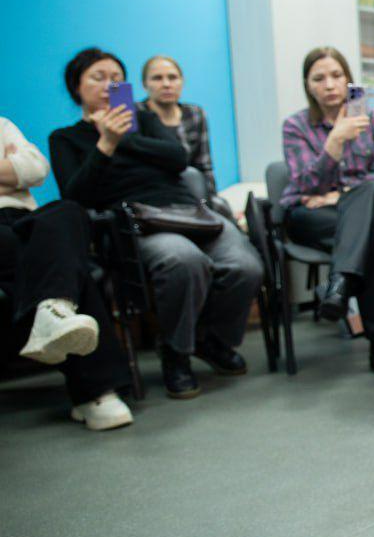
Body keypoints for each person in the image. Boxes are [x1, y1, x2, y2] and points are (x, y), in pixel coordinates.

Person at [49, 47, 263, 400]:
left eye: (116, 79)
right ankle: (177, 355)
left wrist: (126, 137)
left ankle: (212, 340)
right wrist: (105, 144)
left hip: (186, 209)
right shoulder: (66, 138)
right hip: (136, 219)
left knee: (246, 265)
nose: (108, 85)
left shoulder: (144, 120)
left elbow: (178, 158)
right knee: (184, 262)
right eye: (98, 78)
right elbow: (75, 195)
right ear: (77, 87)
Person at [280, 46, 374, 377]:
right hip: (313, 218)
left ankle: (340, 282)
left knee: (372, 204)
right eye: (319, 78)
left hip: (361, 208)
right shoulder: (295, 126)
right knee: (370, 233)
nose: (329, 84)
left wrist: (341, 195)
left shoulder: (373, 119)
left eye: (336, 75)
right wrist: (333, 143)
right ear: (308, 85)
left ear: (348, 79)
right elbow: (304, 184)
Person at [1, 115, 133, 429]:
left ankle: (54, 308)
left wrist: (21, 168)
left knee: (67, 212)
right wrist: (11, 168)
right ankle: (97, 393)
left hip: (22, 217)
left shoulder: (2, 124)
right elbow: (22, 170)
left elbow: (35, 169)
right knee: (59, 265)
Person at [136, 55, 218, 196]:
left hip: (191, 193)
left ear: (182, 82)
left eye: (173, 77)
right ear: (144, 84)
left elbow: (204, 167)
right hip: (150, 194)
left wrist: (211, 202)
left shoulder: (195, 114)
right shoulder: (135, 114)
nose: (166, 84)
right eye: (157, 78)